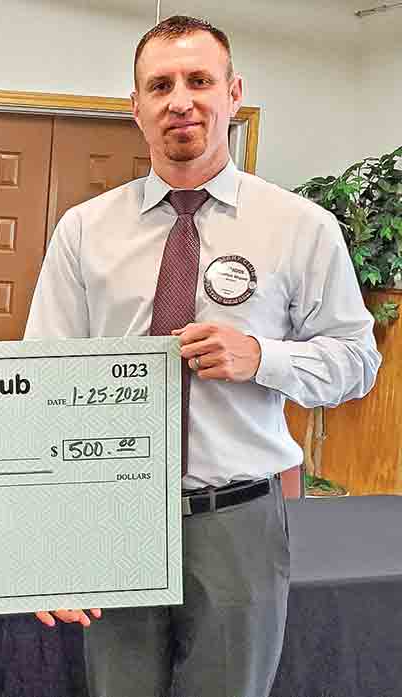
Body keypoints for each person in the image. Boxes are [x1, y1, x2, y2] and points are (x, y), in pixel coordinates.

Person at [25, 15, 381, 697]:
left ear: (233, 92)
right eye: (159, 85)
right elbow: (45, 384)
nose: (180, 100)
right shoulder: (85, 232)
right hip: (115, 512)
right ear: (136, 108)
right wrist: (52, 534)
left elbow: (357, 361)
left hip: (238, 522)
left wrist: (264, 357)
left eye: (198, 80)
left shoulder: (301, 228)